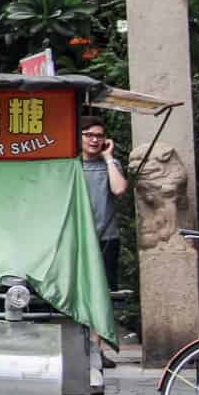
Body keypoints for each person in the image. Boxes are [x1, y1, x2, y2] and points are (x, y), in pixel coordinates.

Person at [79, 116, 129, 286]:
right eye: (88, 135)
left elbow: (119, 189)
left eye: (99, 136)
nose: (94, 140)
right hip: (76, 237)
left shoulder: (111, 164)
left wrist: (108, 158)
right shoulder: (70, 164)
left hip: (106, 237)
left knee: (106, 286)